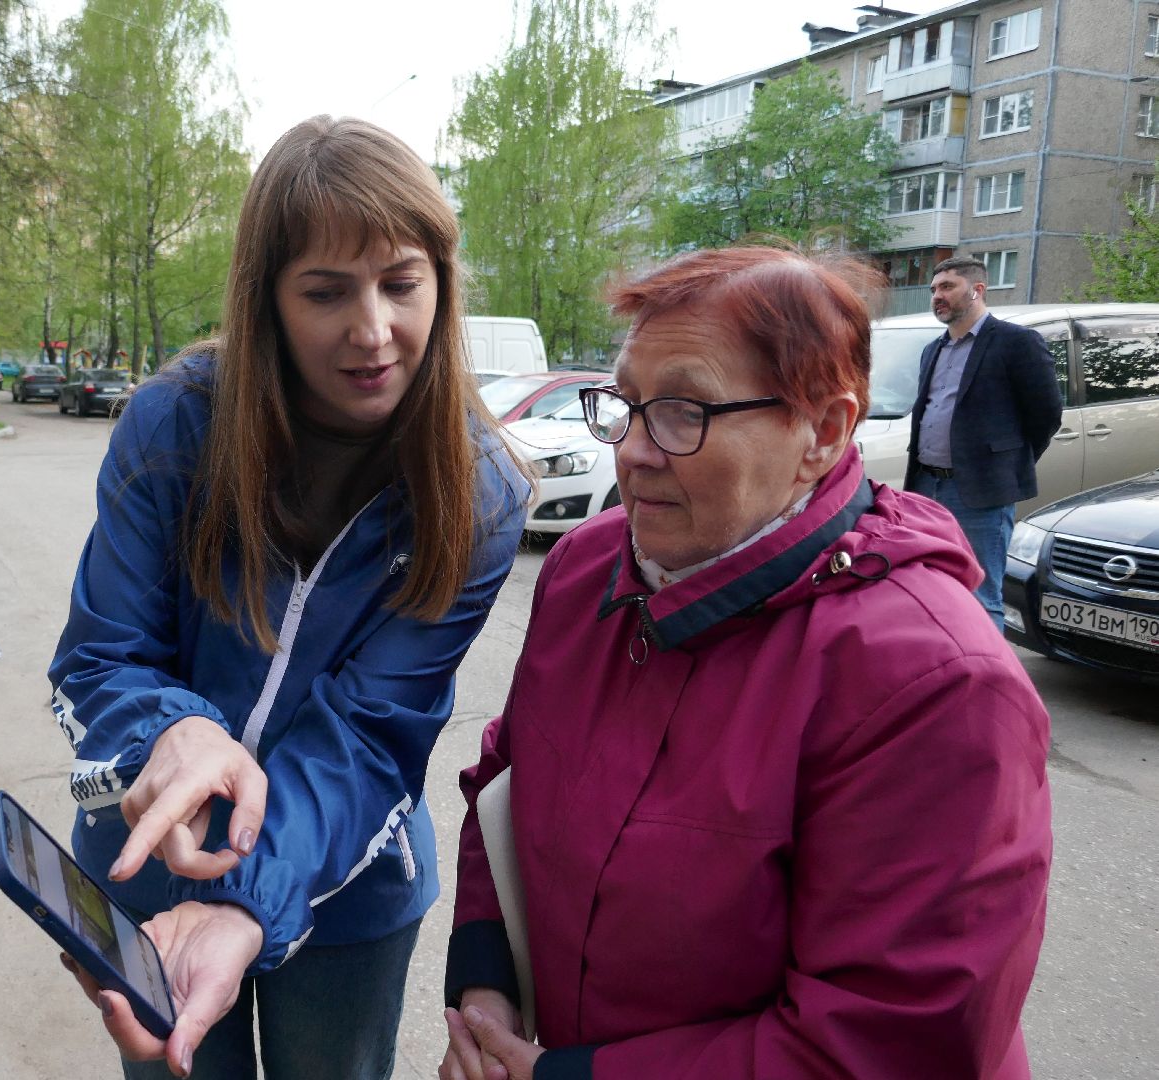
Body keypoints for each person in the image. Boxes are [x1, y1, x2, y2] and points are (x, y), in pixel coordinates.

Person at [441, 245, 1051, 1080]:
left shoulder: (935, 685)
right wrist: (485, 985)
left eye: (685, 411)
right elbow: (506, 782)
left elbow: (894, 1041)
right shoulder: (589, 567)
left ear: (825, 433)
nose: (634, 452)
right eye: (625, 404)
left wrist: (566, 1076)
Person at [47, 115, 530, 1079]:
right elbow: (101, 656)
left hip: (351, 894)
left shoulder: (480, 490)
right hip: (153, 875)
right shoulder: (176, 422)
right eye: (324, 291)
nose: (372, 330)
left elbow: (372, 732)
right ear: (266, 297)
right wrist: (170, 735)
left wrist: (246, 901)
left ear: (441, 280)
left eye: (401, 283)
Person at [905, 255, 1062, 631]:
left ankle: (988, 684)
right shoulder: (934, 349)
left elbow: (1046, 415)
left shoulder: (1016, 343)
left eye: (947, 287)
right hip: (926, 486)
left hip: (977, 492)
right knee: (932, 584)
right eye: (933, 289)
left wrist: (1002, 467)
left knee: (981, 592)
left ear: (977, 290)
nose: (936, 296)